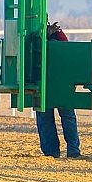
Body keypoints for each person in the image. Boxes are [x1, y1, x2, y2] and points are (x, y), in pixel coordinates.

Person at [35, 19, 80, 158]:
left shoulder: (56, 35)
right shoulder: (56, 35)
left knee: (52, 119)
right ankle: (65, 151)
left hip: (52, 84)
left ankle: (62, 151)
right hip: (59, 84)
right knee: (63, 118)